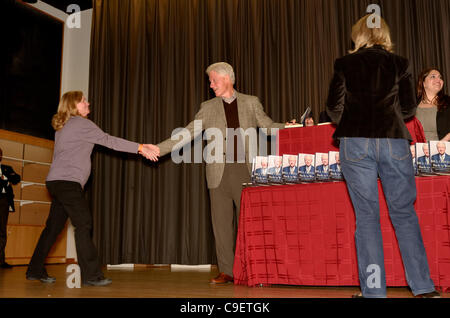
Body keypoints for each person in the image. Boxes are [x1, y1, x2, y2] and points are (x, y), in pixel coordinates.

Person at [326, 14, 438, 298]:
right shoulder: (399, 63)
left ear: (358, 35)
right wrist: (389, 120)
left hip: (355, 144)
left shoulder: (344, 63)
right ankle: (424, 288)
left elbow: (332, 108)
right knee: (404, 214)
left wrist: (352, 123)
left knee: (366, 217)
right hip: (392, 142)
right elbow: (410, 108)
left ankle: (374, 291)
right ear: (384, 34)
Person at [155, 62, 293, 284]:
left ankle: (252, 270)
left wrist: (290, 128)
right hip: (217, 173)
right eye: (210, 81)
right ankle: (226, 271)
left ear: (227, 79)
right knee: (221, 226)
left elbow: (267, 126)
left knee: (248, 225)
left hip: (245, 171)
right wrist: (158, 149)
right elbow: (187, 134)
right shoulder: (208, 107)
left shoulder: (250, 102)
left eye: (213, 80)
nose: (210, 85)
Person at [26, 91, 159, 286]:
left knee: (53, 228)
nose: (88, 103)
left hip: (55, 182)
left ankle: (34, 270)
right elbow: (109, 141)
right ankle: (91, 275)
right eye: (83, 101)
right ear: (73, 106)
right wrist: (140, 147)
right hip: (68, 183)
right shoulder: (81, 124)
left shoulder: (62, 127)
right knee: (84, 223)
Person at [0, 148, 21, 269]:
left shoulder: (7, 168)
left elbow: (17, 178)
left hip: (3, 201)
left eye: (0, 154)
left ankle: (1, 261)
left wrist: (6, 178)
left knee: (2, 231)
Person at [416, 68, 450, 141]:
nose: (438, 80)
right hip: (417, 150)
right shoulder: (412, 105)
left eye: (440, 77)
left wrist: (443, 141)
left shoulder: (448, 102)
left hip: (443, 149)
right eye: (433, 76)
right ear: (423, 83)